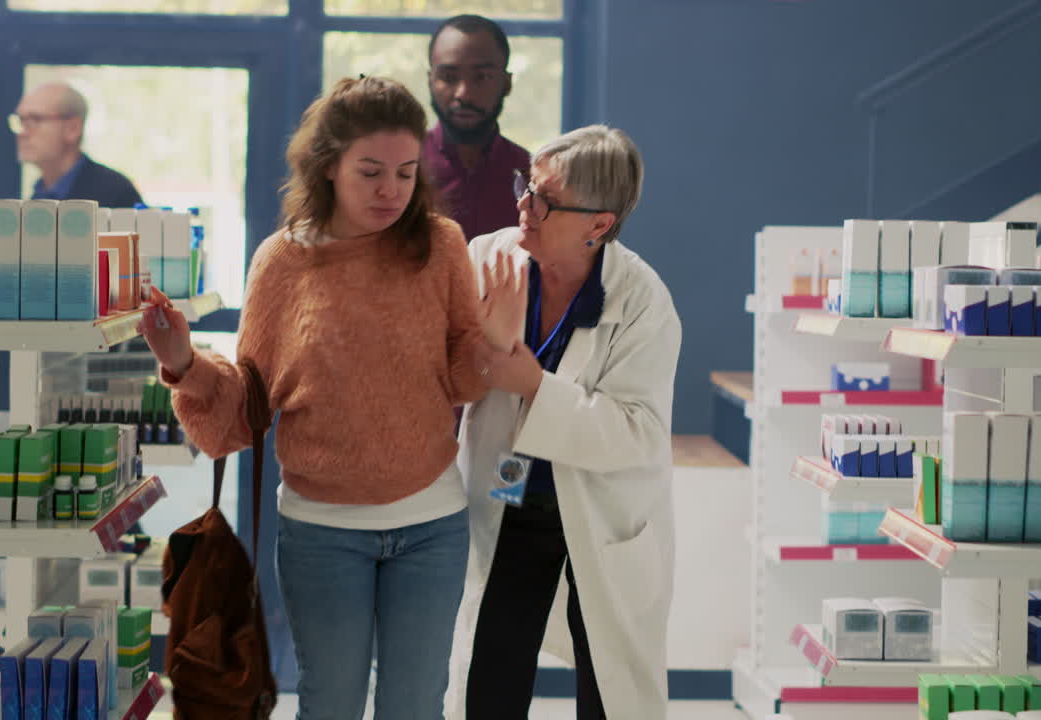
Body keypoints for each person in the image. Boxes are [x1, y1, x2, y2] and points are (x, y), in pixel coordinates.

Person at [138, 76, 524, 720]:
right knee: (331, 703)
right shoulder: (283, 262)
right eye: (370, 171)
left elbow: (460, 377)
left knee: (413, 706)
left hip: (431, 524)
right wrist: (181, 361)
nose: (390, 190)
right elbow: (246, 405)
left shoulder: (440, 245)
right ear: (328, 167)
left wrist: (498, 338)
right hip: (322, 533)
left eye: (405, 173)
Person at [449, 125, 682, 720]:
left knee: (608, 688)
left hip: (602, 514)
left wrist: (532, 385)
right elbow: (444, 366)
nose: (523, 205)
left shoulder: (642, 301)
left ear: (598, 225)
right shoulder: (487, 258)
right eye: (526, 186)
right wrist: (488, 353)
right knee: (488, 681)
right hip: (508, 500)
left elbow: (638, 430)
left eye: (545, 200)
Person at [425, 14, 531, 241]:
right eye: (448, 77)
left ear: (507, 83)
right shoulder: (400, 170)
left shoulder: (533, 177)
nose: (464, 93)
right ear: (430, 81)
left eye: (482, 77)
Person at [10, 82, 144, 206]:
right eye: (21, 121)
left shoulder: (116, 193)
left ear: (73, 128)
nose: (22, 133)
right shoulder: (39, 194)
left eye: (35, 119)